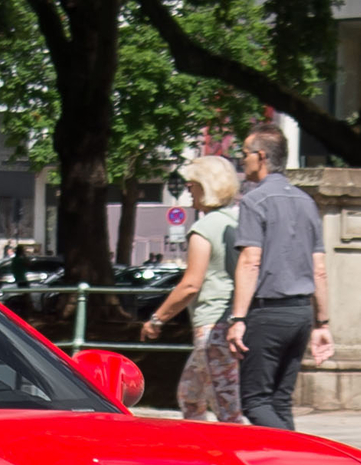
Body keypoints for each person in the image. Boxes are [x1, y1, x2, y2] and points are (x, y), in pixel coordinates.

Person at [221, 129, 331, 429]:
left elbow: (250, 261)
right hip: (300, 314)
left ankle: (302, 460)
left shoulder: (255, 201)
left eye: (244, 153)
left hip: (268, 313)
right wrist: (322, 323)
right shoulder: (306, 202)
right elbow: (318, 267)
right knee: (280, 401)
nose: (242, 160)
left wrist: (238, 318)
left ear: (261, 156)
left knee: (256, 401)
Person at [140, 155, 243, 423]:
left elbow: (190, 284)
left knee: (226, 406)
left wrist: (156, 318)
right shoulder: (235, 223)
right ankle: (200, 448)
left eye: (192, 185)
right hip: (228, 320)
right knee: (190, 394)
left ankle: (237, 457)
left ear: (206, 186)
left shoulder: (204, 229)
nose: (189, 192)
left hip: (213, 324)